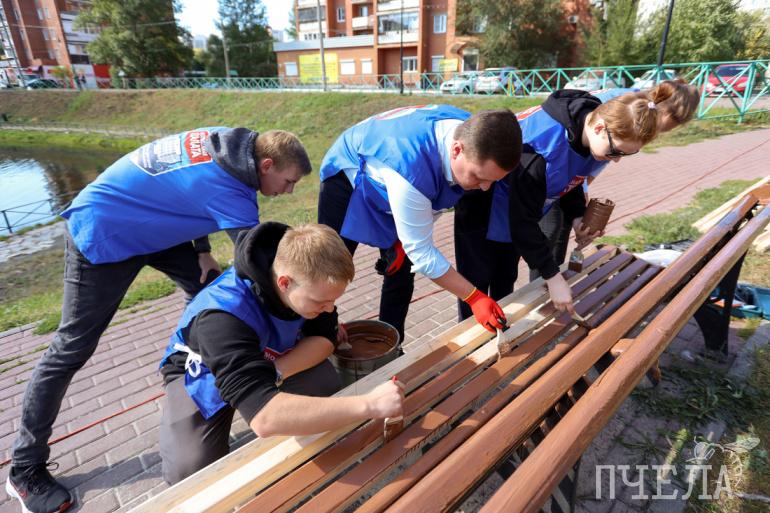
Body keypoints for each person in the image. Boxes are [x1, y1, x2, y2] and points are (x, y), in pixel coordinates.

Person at [6, 127, 311, 513]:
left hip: (154, 227)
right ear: (266, 165)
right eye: (288, 181)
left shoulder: (228, 147)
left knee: (207, 287)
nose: (288, 191)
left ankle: (197, 374)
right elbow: (259, 266)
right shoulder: (231, 190)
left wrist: (201, 249)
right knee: (70, 349)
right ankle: (24, 467)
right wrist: (305, 306)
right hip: (105, 231)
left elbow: (183, 187)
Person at [158, 222, 404, 484]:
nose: (330, 309)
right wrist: (370, 405)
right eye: (321, 302)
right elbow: (264, 419)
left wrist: (274, 373)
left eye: (333, 301)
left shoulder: (310, 276)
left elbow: (324, 339)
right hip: (202, 373)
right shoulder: (220, 317)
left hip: (268, 359)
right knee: (191, 470)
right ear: (284, 283)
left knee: (324, 382)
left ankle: (305, 442)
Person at [454, 86, 676, 320]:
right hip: (482, 206)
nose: (617, 160)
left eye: (626, 154)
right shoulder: (540, 149)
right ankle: (471, 336)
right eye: (616, 152)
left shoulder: (590, 132)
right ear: (599, 128)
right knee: (476, 286)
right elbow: (523, 223)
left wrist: (577, 215)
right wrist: (553, 276)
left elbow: (571, 178)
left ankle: (499, 331)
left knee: (505, 277)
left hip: (517, 211)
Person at [317, 105, 522, 339]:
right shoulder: (413, 168)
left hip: (399, 174)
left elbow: (431, 202)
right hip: (348, 173)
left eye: (493, 181)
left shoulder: (476, 133)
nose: (485, 188)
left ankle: (391, 342)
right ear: (456, 150)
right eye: (478, 177)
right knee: (329, 269)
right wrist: (474, 298)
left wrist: (404, 241)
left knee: (402, 273)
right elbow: (422, 253)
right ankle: (322, 337)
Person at [529, 80, 700, 281]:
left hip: (568, 176)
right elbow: (589, 151)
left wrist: (579, 204)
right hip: (550, 174)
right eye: (660, 128)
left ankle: (550, 280)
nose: (617, 159)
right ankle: (545, 281)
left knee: (564, 223)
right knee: (549, 229)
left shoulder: (636, 116)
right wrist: (579, 186)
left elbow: (601, 157)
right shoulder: (622, 108)